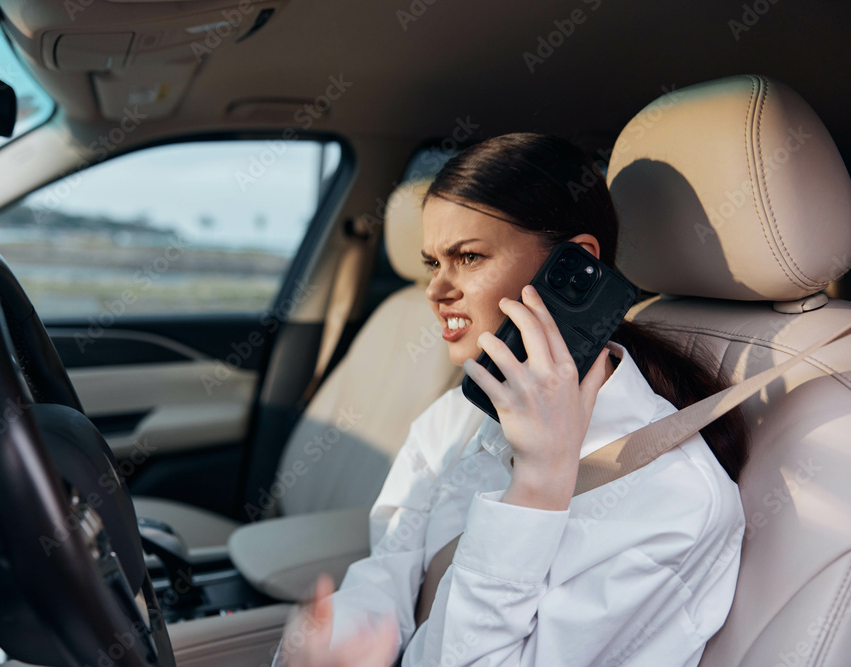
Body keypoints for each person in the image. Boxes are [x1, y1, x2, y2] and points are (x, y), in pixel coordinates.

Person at [270, 133, 749, 666]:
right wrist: (334, 645)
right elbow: (389, 573)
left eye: (468, 257)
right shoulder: (453, 418)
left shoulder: (676, 502)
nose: (435, 289)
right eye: (433, 263)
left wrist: (537, 487)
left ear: (573, 266)